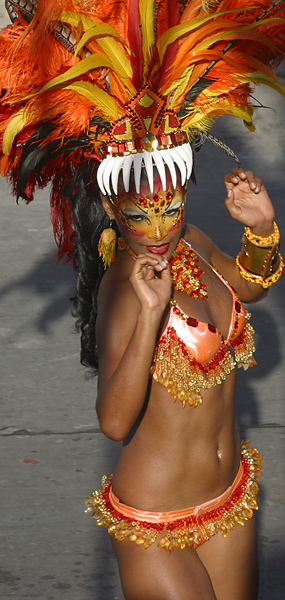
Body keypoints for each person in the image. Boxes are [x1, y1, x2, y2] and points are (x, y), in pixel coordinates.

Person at [0, 1, 284, 599]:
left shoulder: (196, 244)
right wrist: (153, 311)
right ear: (111, 208)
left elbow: (252, 287)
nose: (157, 229)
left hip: (227, 498)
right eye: (140, 214)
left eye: (170, 208)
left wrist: (261, 228)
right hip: (156, 521)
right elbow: (113, 420)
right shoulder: (124, 290)